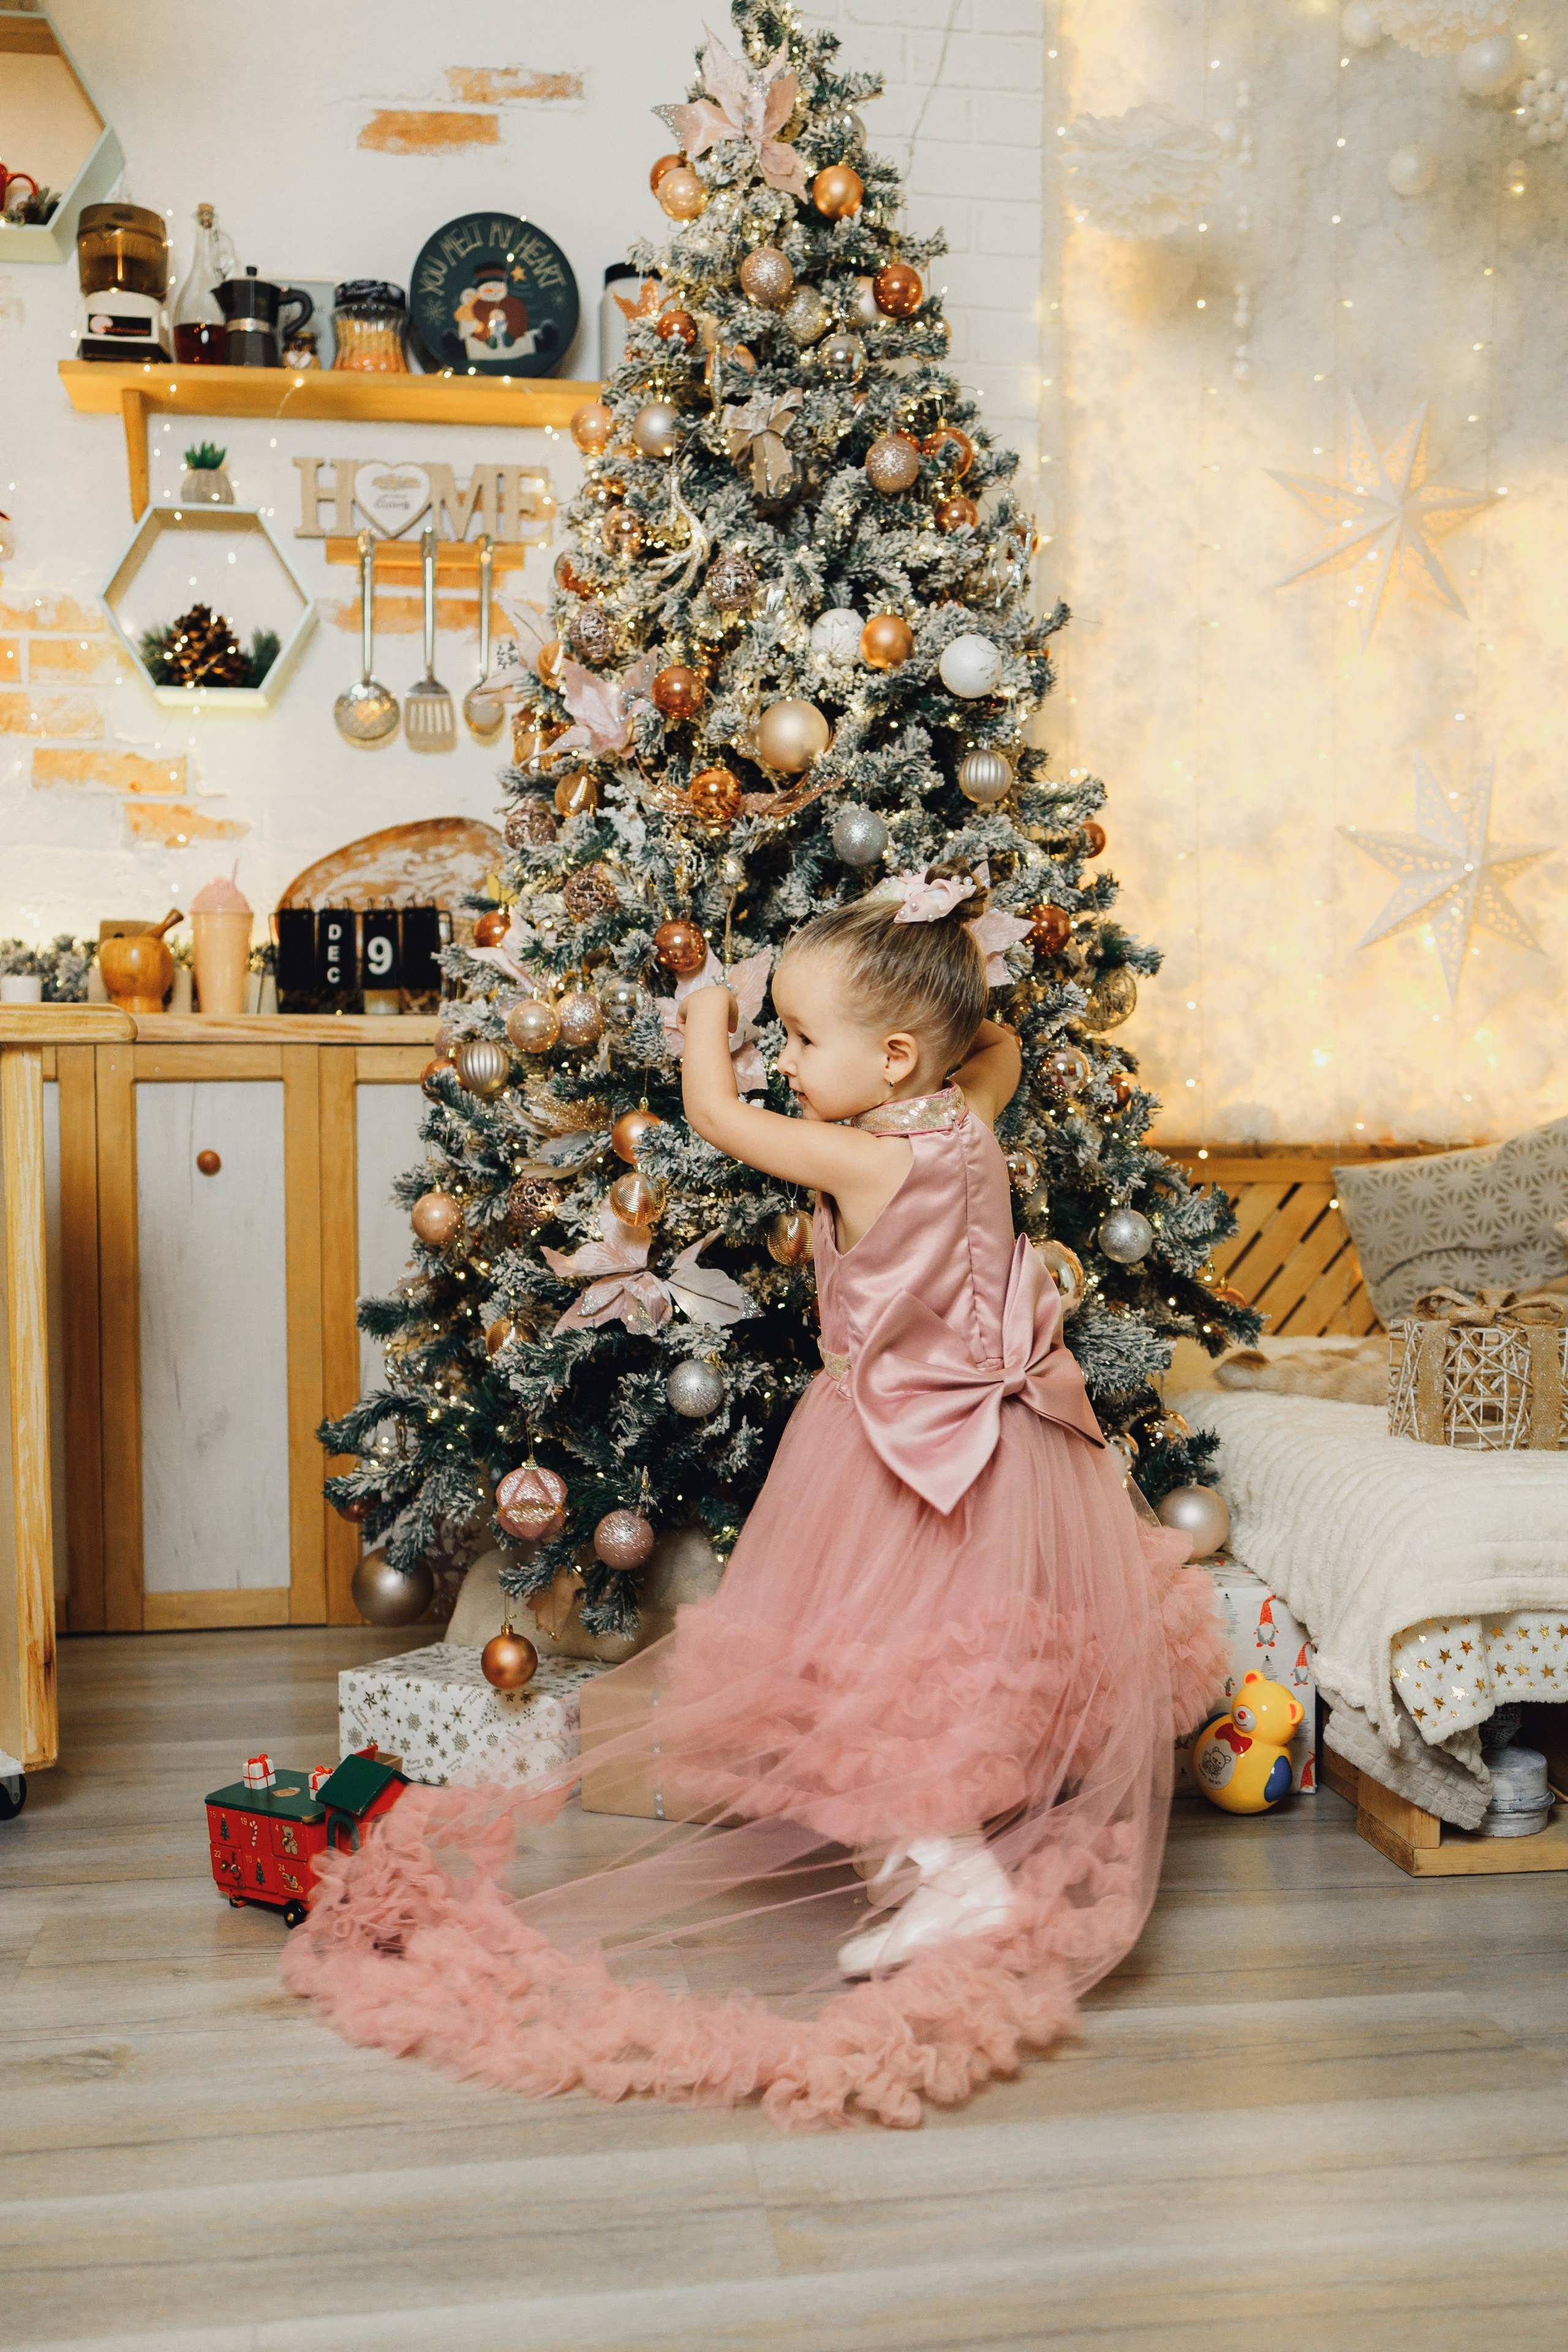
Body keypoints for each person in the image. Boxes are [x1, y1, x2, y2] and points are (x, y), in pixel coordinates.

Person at [284, 865, 1227, 2130]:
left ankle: (946, 1870)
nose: (784, 1058)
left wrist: (709, 1012)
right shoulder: (966, 1116)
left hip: (894, 1445)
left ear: (894, 1059)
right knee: (936, 1661)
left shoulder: (862, 1160)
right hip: (1004, 1442)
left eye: (802, 1037)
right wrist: (938, 985)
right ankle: (921, 1869)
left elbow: (716, 1116)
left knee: (862, 1661)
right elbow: (993, 1045)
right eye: (777, 1031)